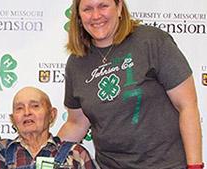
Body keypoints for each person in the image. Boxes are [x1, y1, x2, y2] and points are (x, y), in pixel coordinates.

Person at [57, 0, 203, 168]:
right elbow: (77, 123)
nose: (96, 15)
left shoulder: (151, 41)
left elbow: (187, 105)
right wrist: (47, 154)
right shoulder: (76, 62)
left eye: (103, 6)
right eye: (87, 9)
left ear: (119, 8)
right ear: (79, 16)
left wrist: (195, 166)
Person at [0, 86, 98, 169]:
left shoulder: (76, 154)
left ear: (52, 115)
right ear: (13, 119)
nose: (27, 112)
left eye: (35, 106)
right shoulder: (2, 152)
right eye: (19, 108)